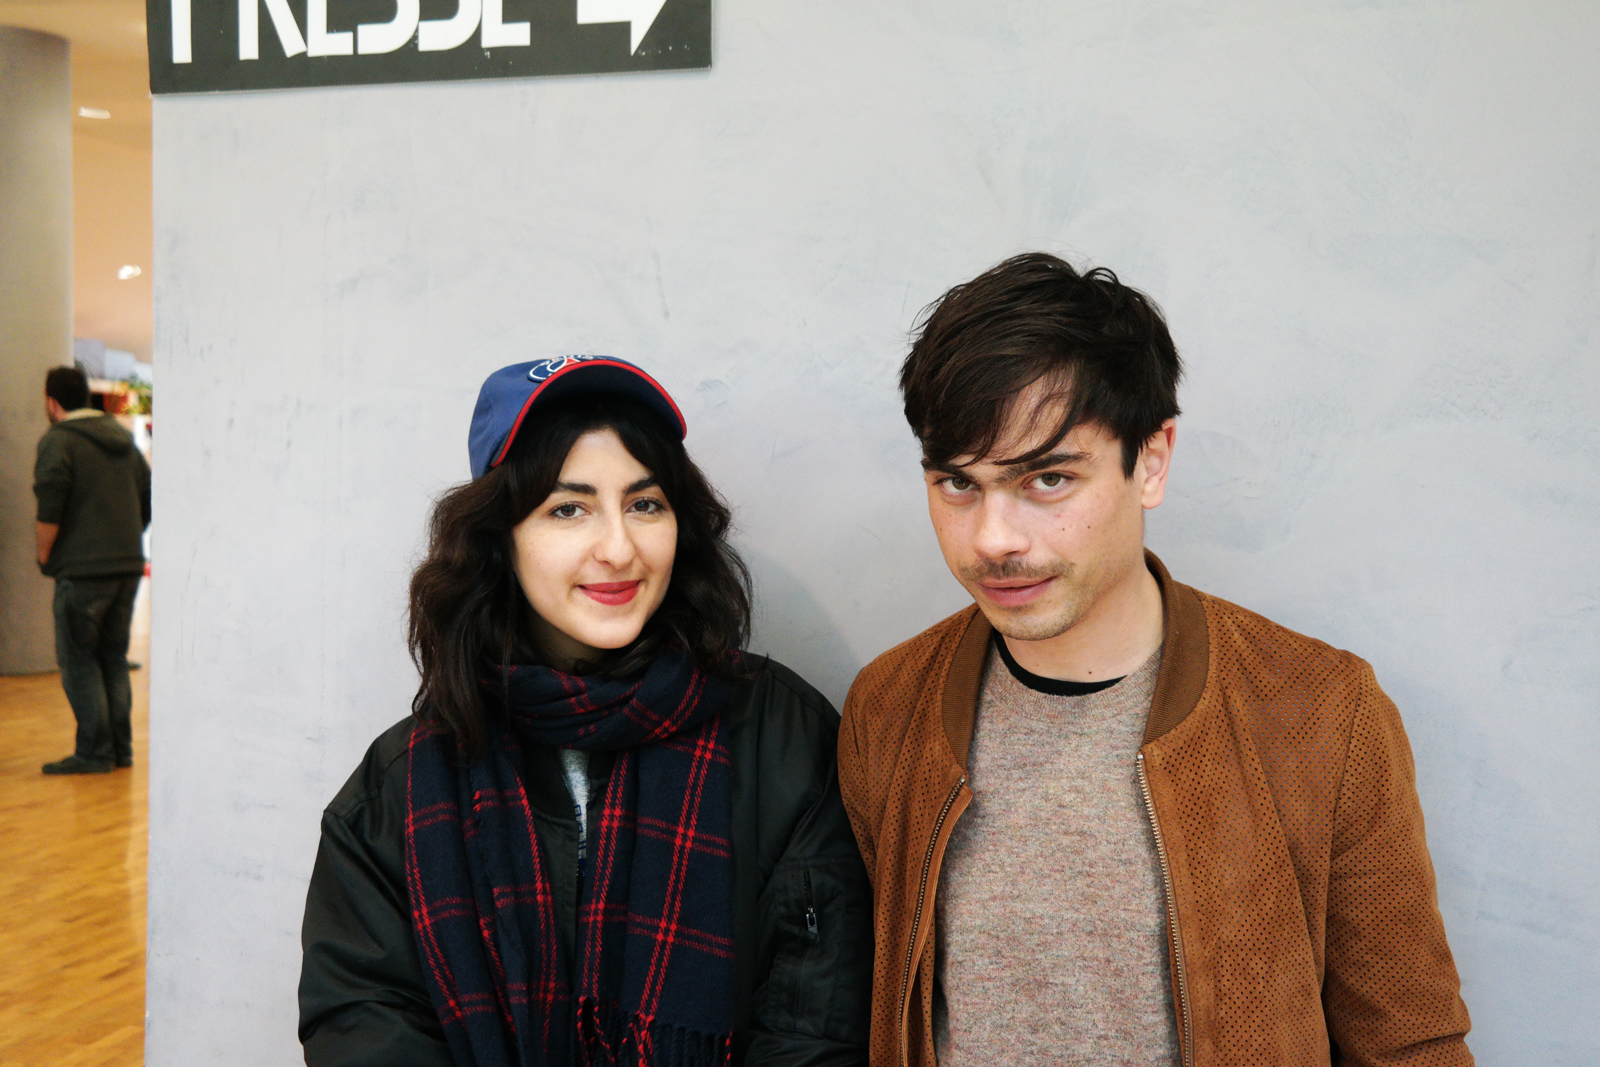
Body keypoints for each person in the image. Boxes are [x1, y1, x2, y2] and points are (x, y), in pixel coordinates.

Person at [838, 254, 1473, 1066]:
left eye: (1048, 478)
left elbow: (1410, 1044)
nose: (993, 538)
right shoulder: (890, 707)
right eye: (959, 484)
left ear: (1153, 460)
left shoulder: (1319, 712)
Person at [298, 356, 872, 1067]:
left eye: (645, 503)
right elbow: (364, 1020)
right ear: (499, 537)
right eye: (568, 509)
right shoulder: (401, 787)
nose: (619, 548)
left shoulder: (780, 735)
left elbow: (815, 1027)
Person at [34, 365, 151, 775]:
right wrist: (124, 543)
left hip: (82, 572)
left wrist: (45, 556)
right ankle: (120, 750)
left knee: (80, 661)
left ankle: (94, 753)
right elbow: (147, 498)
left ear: (52, 402)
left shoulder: (59, 441)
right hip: (128, 565)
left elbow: (50, 504)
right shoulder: (124, 441)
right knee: (113, 658)